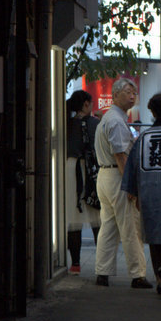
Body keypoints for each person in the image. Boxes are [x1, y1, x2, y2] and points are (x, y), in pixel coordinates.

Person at [94, 77, 152, 289]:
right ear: (115, 94)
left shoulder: (109, 118)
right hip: (118, 177)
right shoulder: (117, 121)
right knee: (130, 227)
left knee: (108, 227)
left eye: (133, 92)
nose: (132, 96)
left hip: (105, 176)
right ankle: (137, 274)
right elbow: (121, 156)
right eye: (127, 91)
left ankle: (102, 271)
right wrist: (131, 185)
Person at [121, 92, 161, 297]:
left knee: (155, 239)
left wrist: (133, 191)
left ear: (152, 112)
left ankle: (158, 279)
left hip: (148, 193)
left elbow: (132, 166)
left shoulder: (143, 137)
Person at [66, 90, 100, 275]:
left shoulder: (66, 123)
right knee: (97, 216)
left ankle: (75, 264)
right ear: (86, 104)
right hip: (90, 170)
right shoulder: (95, 123)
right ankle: (102, 263)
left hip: (69, 169)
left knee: (73, 219)